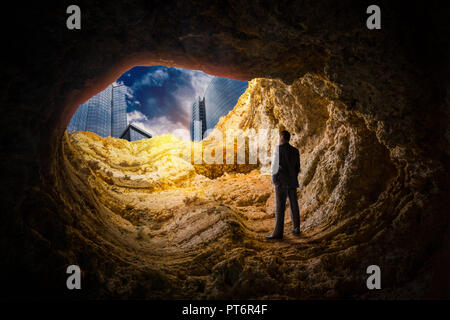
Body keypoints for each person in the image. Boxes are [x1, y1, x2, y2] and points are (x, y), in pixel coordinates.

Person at [266, 130, 301, 240]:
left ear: (281, 137)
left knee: (280, 207)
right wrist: (293, 177)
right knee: (294, 204)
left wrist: (274, 180)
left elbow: (274, 167)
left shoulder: (278, 149)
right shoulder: (295, 151)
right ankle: (296, 228)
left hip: (281, 182)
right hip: (292, 181)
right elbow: (297, 167)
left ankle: (278, 233)